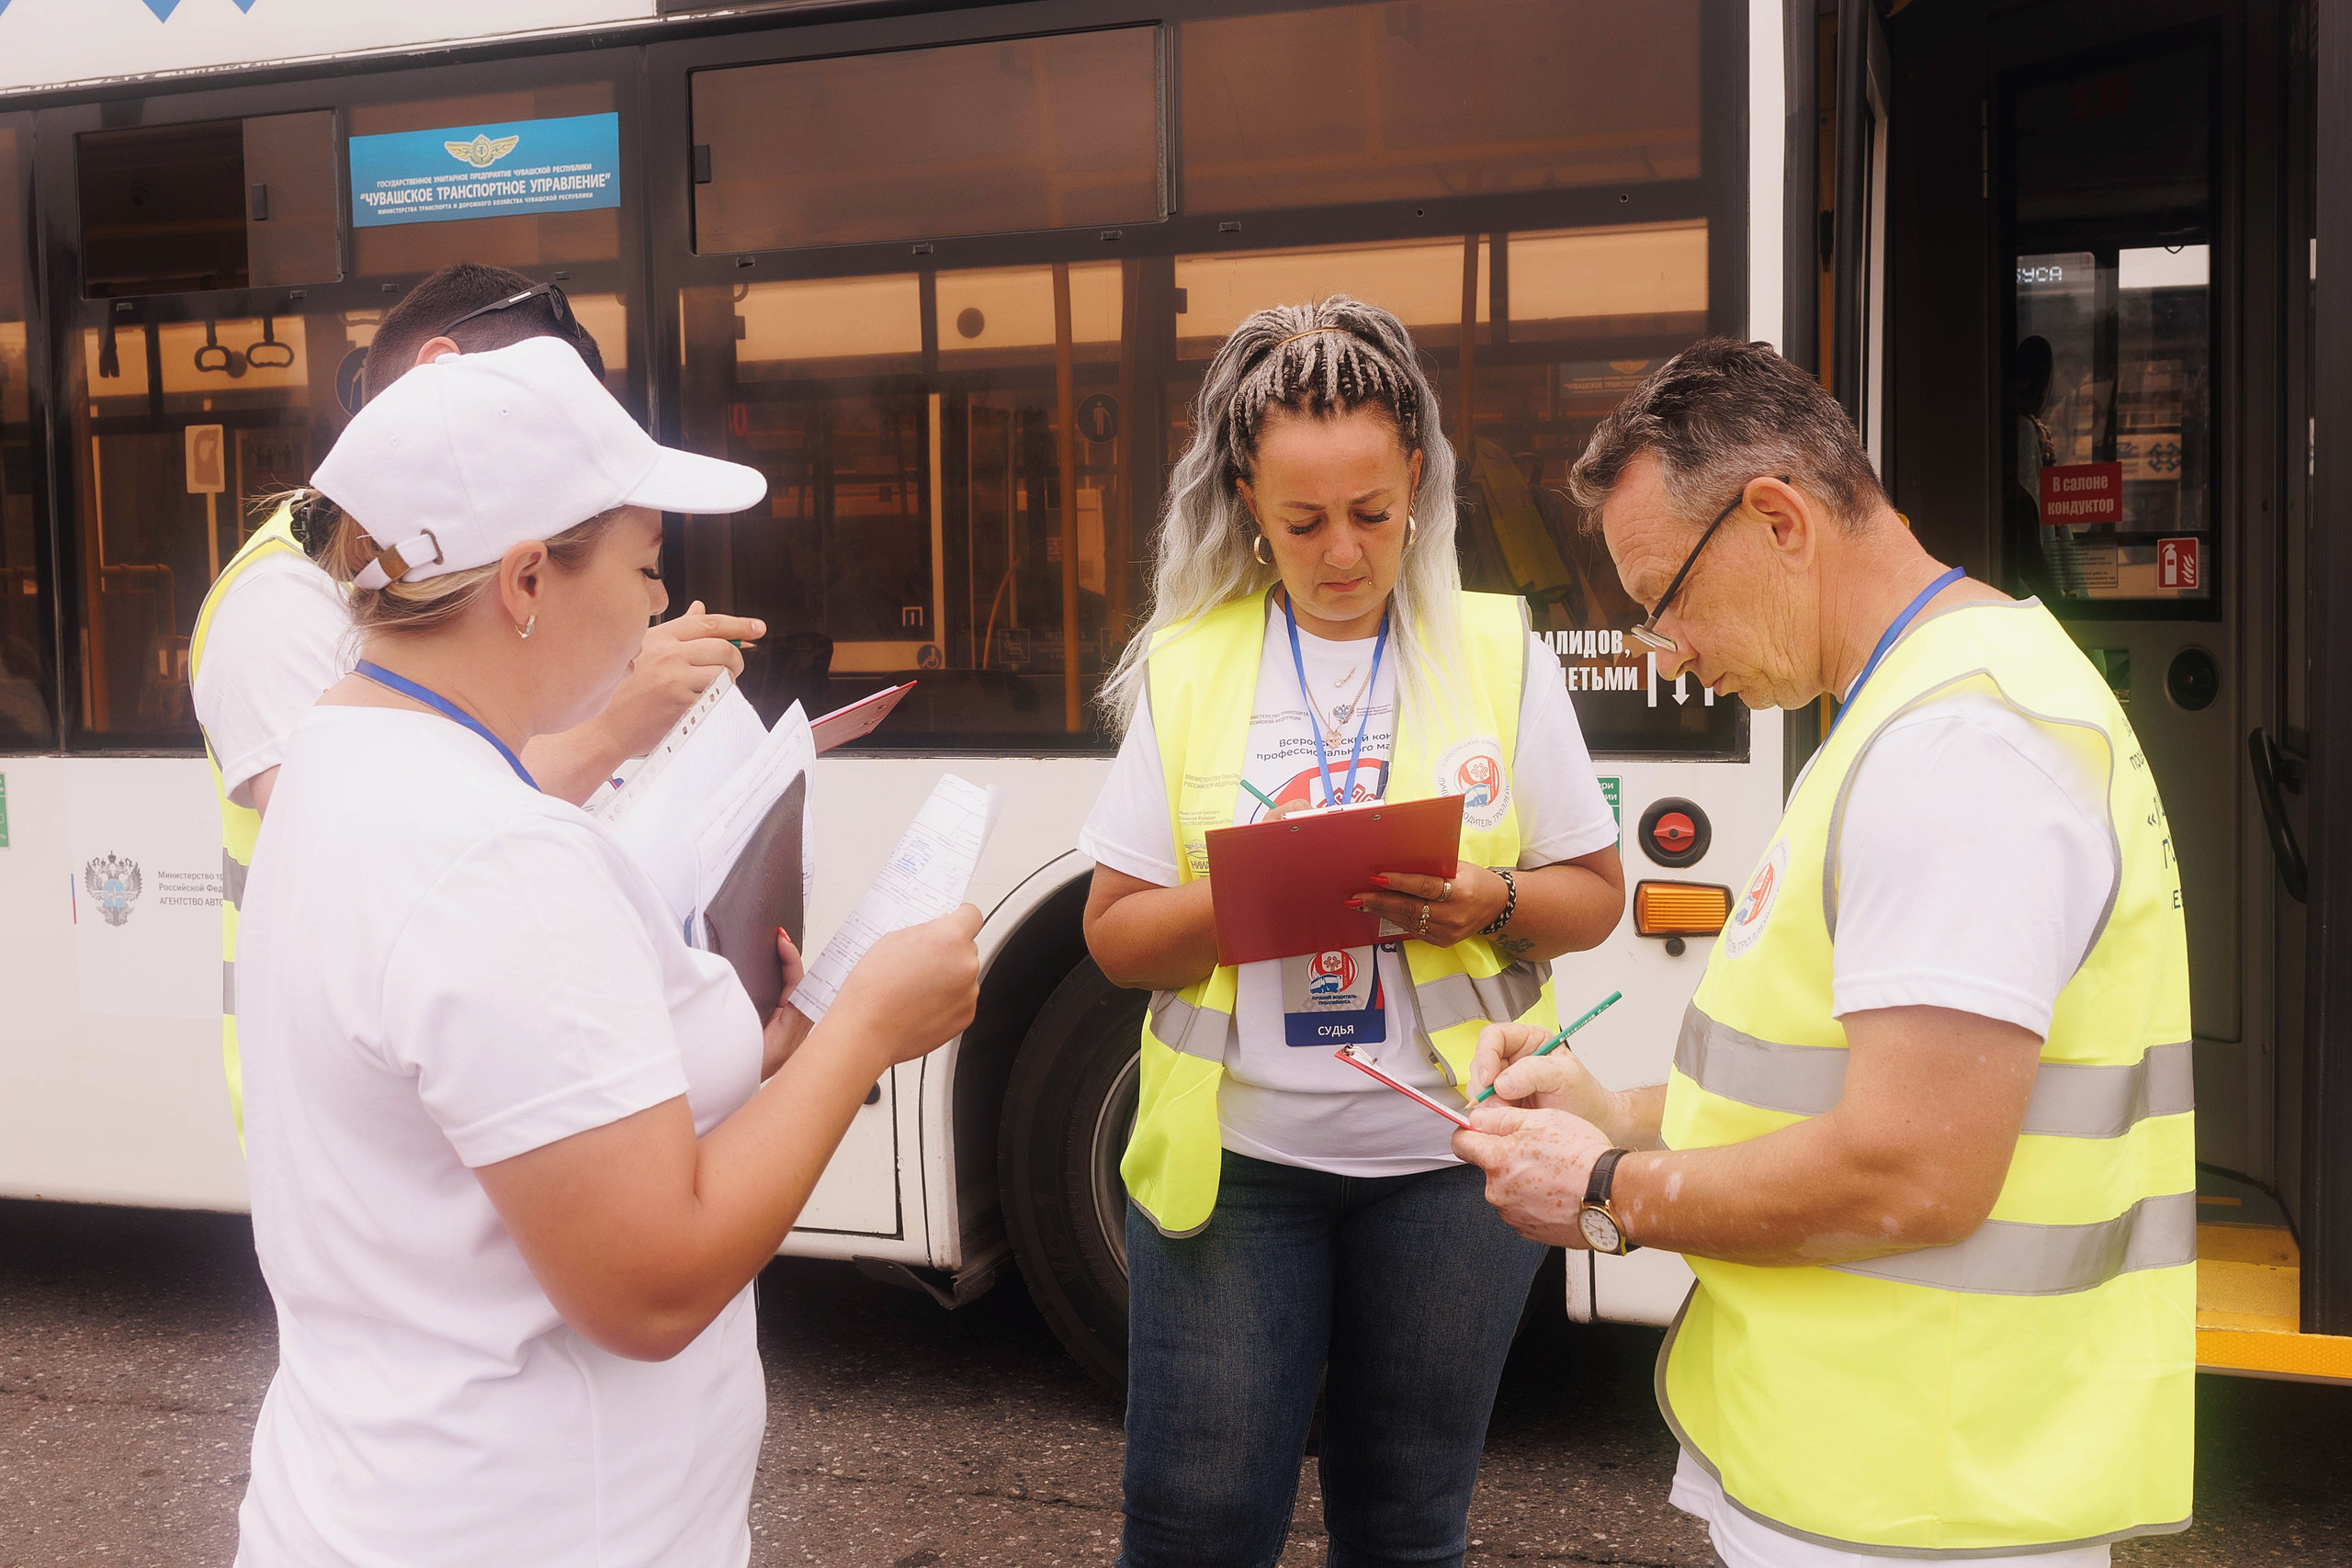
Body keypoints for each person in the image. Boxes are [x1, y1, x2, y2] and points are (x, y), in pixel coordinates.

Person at [228, 336, 981, 1567]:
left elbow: (531, 1116)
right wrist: (863, 1033)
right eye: (642, 564)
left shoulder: (343, 757)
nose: (653, 603)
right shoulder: (495, 857)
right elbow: (649, 1281)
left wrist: (775, 1040)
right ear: (526, 580)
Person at [1452, 339, 2192, 1566]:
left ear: (1778, 519)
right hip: (1903, 1472)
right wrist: (1612, 1111)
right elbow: (1832, 1087)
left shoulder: (1958, 753)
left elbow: (1910, 1171)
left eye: (1661, 599)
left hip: (1918, 1501)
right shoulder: (1928, 707)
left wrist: (1601, 1193)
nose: (1664, 650)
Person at [1080, 297, 1626, 1568]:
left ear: (1419, 481)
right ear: (1245, 498)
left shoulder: (1497, 652)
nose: (1342, 552)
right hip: (1238, 1166)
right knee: (1196, 1527)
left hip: (1451, 1167)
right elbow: (1115, 935)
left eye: (1374, 513)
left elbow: (1593, 894)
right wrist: (1262, 899)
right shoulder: (1190, 664)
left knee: (1407, 1521)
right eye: (1303, 519)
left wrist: (1481, 903)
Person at [189, 262, 761, 1141]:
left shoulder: (413, 624)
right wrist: (612, 723)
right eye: (541, 405)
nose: (653, 596)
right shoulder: (281, 604)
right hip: (376, 1126)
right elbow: (415, 845)